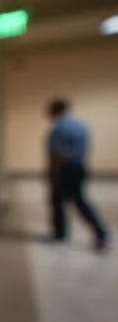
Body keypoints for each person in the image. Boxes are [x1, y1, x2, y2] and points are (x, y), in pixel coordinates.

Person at [47, 98, 111, 251]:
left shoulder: (60, 128)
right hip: (79, 167)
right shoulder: (81, 126)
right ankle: (61, 233)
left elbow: (59, 154)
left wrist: (54, 175)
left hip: (65, 170)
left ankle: (99, 232)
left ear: (56, 110)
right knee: (68, 200)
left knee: (74, 201)